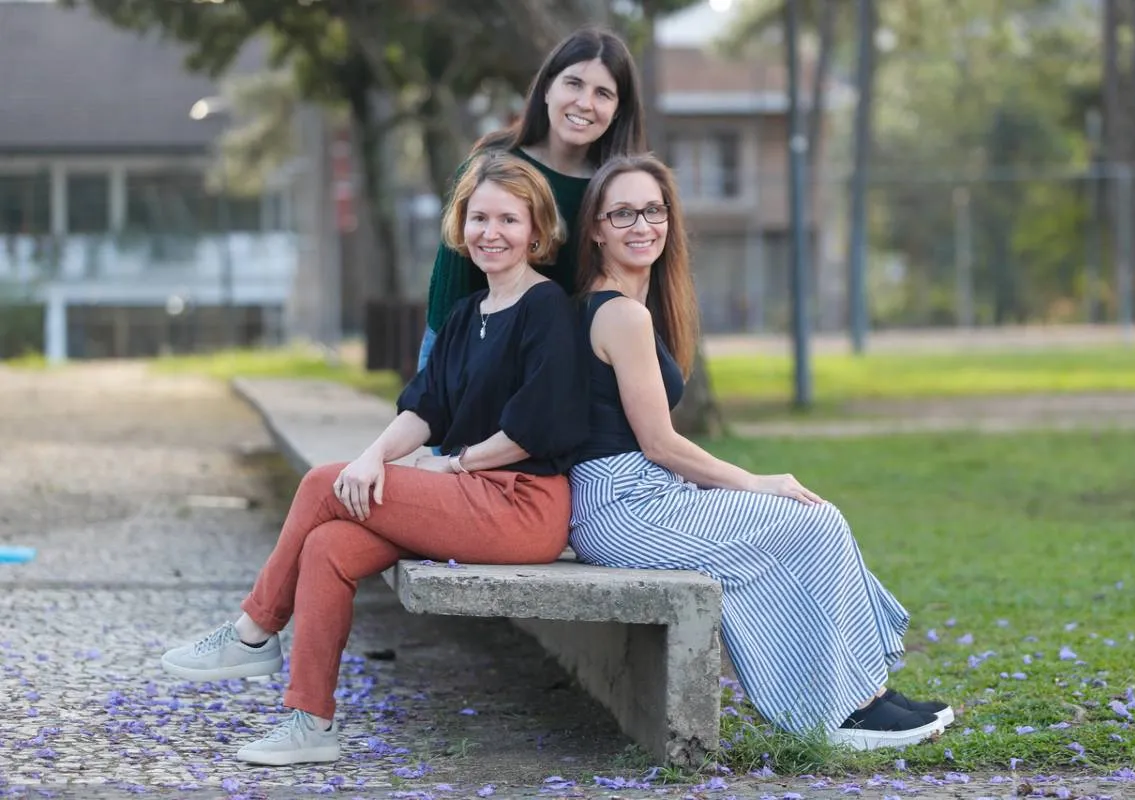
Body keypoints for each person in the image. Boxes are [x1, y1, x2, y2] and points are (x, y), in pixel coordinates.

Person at [159, 152, 588, 766]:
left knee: (322, 483)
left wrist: (457, 465)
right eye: (478, 218)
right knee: (327, 546)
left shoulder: (546, 307)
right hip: (464, 501)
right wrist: (371, 457)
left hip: (521, 505)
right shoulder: (468, 315)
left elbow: (538, 426)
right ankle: (310, 724)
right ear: (461, 226)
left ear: (537, 231)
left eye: (509, 221)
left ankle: (255, 630)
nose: (491, 233)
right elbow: (424, 410)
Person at [566, 154, 953, 752]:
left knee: (813, 523)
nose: (641, 225)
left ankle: (863, 695)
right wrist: (752, 480)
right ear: (595, 227)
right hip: (622, 506)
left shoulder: (631, 306)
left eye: (653, 210)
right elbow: (659, 442)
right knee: (813, 524)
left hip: (638, 495)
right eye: (622, 213)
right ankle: (838, 713)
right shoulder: (619, 313)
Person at [418, 24, 645, 374]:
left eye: (603, 93)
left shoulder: (618, 192)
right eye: (573, 84)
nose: (584, 103)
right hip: (477, 367)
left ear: (617, 110)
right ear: (546, 89)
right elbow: (449, 301)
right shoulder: (490, 166)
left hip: (567, 377)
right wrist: (432, 399)